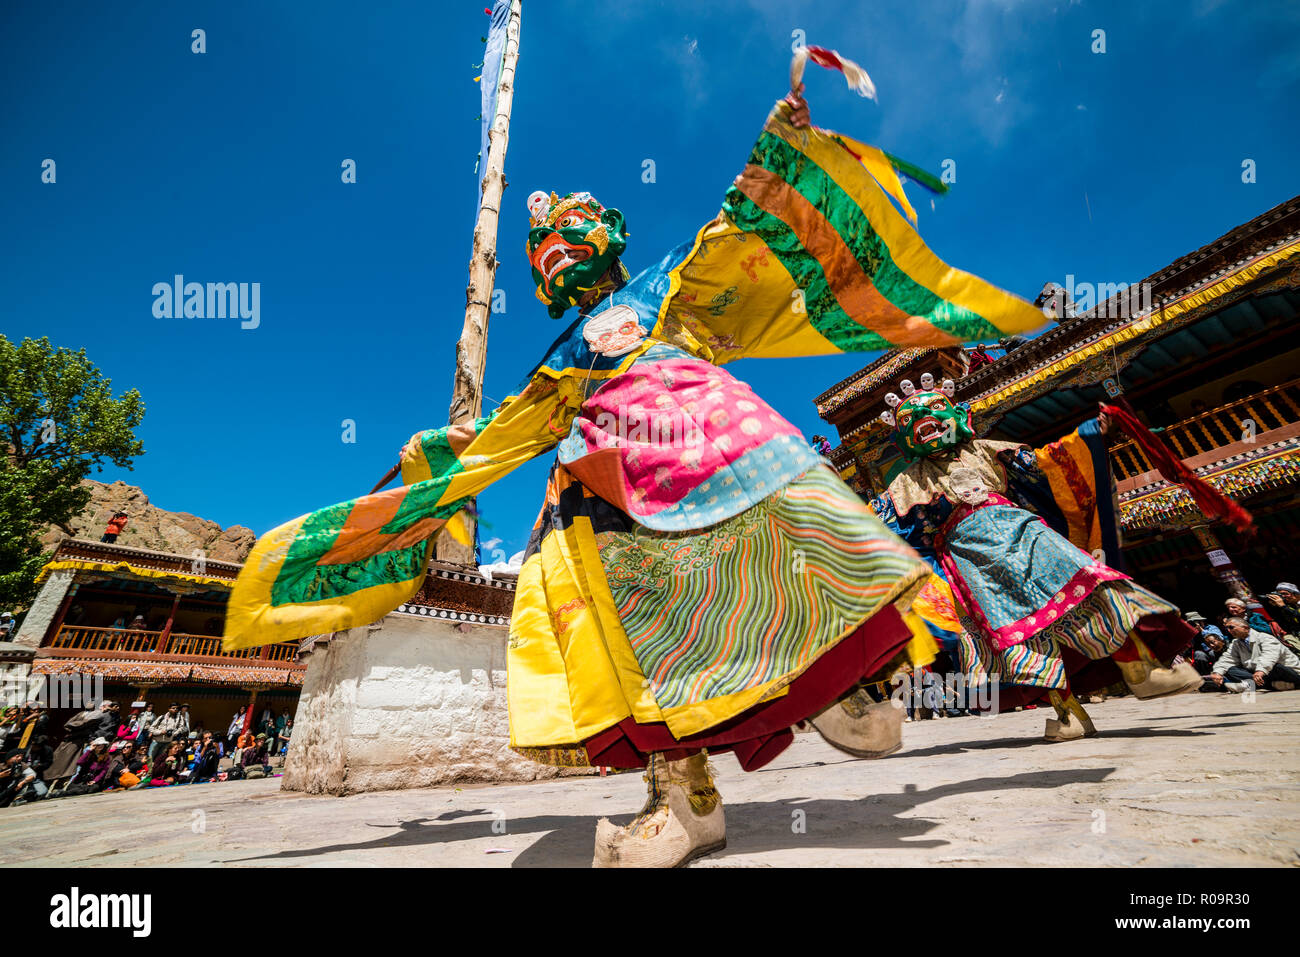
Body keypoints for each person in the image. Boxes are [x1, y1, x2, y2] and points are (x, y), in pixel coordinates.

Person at [222, 69, 1054, 867]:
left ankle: (837, 676)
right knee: (635, 640)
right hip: (606, 487)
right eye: (540, 244)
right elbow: (508, 430)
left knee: (789, 529)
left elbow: (738, 233)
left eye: (569, 227)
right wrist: (442, 458)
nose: (552, 244)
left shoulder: (667, 283)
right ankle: (683, 797)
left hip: (705, 438)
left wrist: (780, 154)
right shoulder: (558, 359)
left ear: (609, 236)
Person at [869, 395, 1202, 743]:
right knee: (1019, 633)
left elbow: (1046, 463)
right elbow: (879, 521)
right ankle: (1068, 713)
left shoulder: (987, 449)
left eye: (935, 411)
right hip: (970, 559)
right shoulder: (905, 483)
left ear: (958, 416)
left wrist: (1088, 435)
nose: (925, 420)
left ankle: (1142, 669)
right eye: (912, 421)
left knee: (1086, 583)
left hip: (1026, 531)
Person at [1207, 617, 1300, 692]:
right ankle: (1270, 685)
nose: (1229, 630)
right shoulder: (1236, 643)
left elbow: (1269, 656)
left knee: (1275, 668)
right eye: (1227, 628)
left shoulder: (1265, 637)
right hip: (1260, 675)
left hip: (1286, 671)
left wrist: (1261, 670)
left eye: (1231, 627)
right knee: (1231, 670)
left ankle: (1250, 686)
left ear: (1245, 628)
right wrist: (1217, 672)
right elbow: (1228, 659)